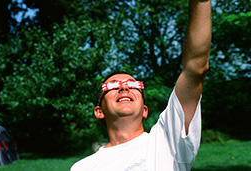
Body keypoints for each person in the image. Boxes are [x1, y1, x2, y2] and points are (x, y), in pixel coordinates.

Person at [71, 0, 211, 170]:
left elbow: (196, 68)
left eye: (132, 84)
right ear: (99, 112)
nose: (124, 88)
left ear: (145, 110)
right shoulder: (82, 168)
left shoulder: (166, 139)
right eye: (113, 86)